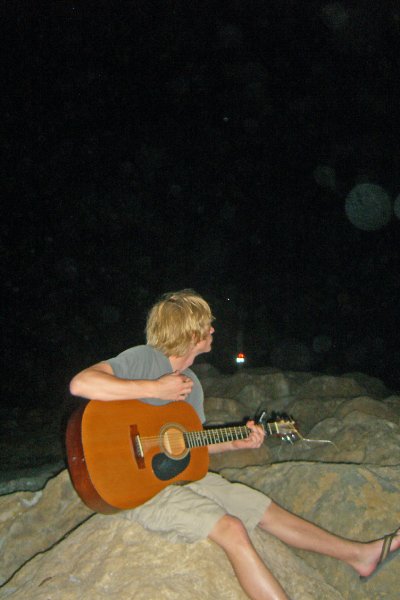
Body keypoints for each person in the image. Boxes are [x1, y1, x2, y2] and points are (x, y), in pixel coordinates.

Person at [69, 289, 400, 600]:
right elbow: (81, 383)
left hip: (174, 479)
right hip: (133, 489)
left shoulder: (193, 385)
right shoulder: (144, 360)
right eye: (206, 324)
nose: (213, 329)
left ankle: (360, 555)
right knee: (231, 528)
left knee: (261, 508)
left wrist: (236, 442)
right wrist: (154, 389)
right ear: (189, 331)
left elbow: (189, 446)